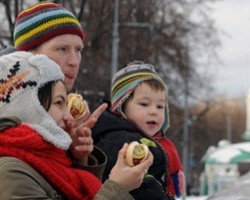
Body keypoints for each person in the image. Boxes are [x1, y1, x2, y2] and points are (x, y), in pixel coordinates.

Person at [0, 51, 153, 199]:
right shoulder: (10, 172)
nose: (67, 116)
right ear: (28, 107)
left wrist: (79, 161)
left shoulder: (50, 161)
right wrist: (118, 188)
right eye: (59, 103)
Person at [9, 1, 108, 168]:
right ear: (28, 54)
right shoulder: (8, 110)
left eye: (78, 50)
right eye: (62, 49)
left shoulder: (70, 116)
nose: (75, 61)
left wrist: (78, 156)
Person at [92, 61, 186, 199]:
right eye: (144, 104)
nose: (153, 111)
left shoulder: (156, 143)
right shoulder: (119, 142)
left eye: (160, 106)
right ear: (122, 107)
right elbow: (146, 189)